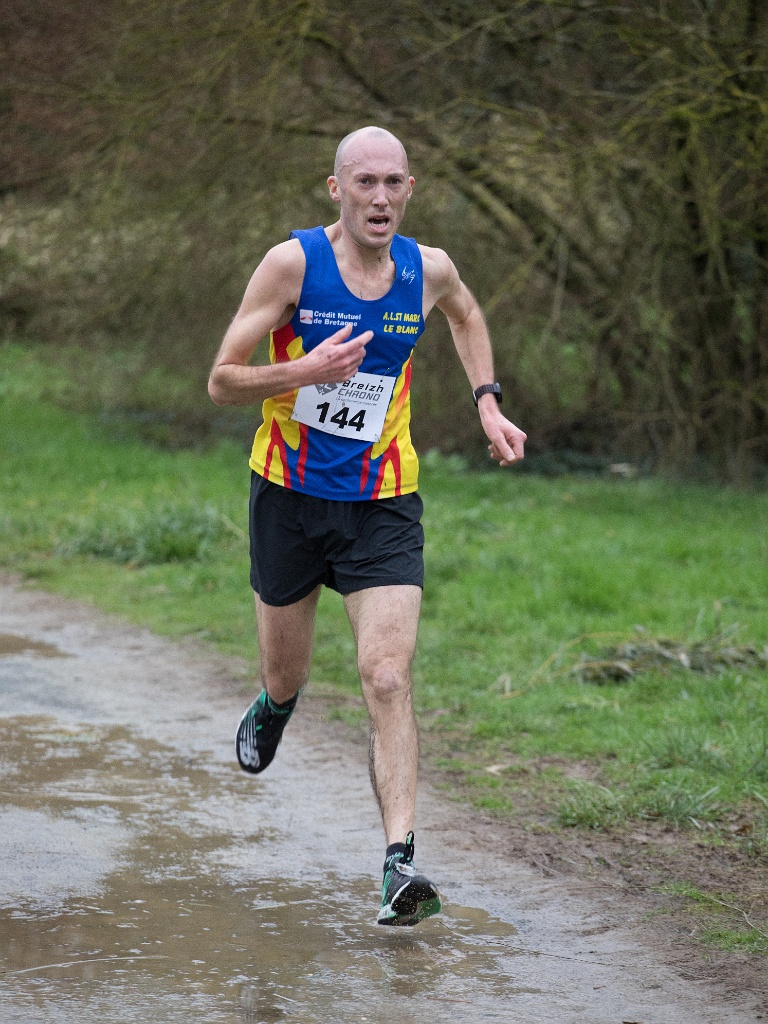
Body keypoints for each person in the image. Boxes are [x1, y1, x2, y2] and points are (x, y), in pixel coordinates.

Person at [208, 126, 526, 926]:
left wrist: (488, 402)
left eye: (393, 183)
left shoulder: (429, 270)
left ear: (409, 190)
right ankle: (276, 704)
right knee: (287, 671)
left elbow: (467, 314)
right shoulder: (292, 266)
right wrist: (303, 370)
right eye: (364, 183)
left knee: (387, 675)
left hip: (384, 501)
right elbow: (222, 380)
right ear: (336, 189)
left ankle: (398, 866)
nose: (379, 198)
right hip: (287, 496)